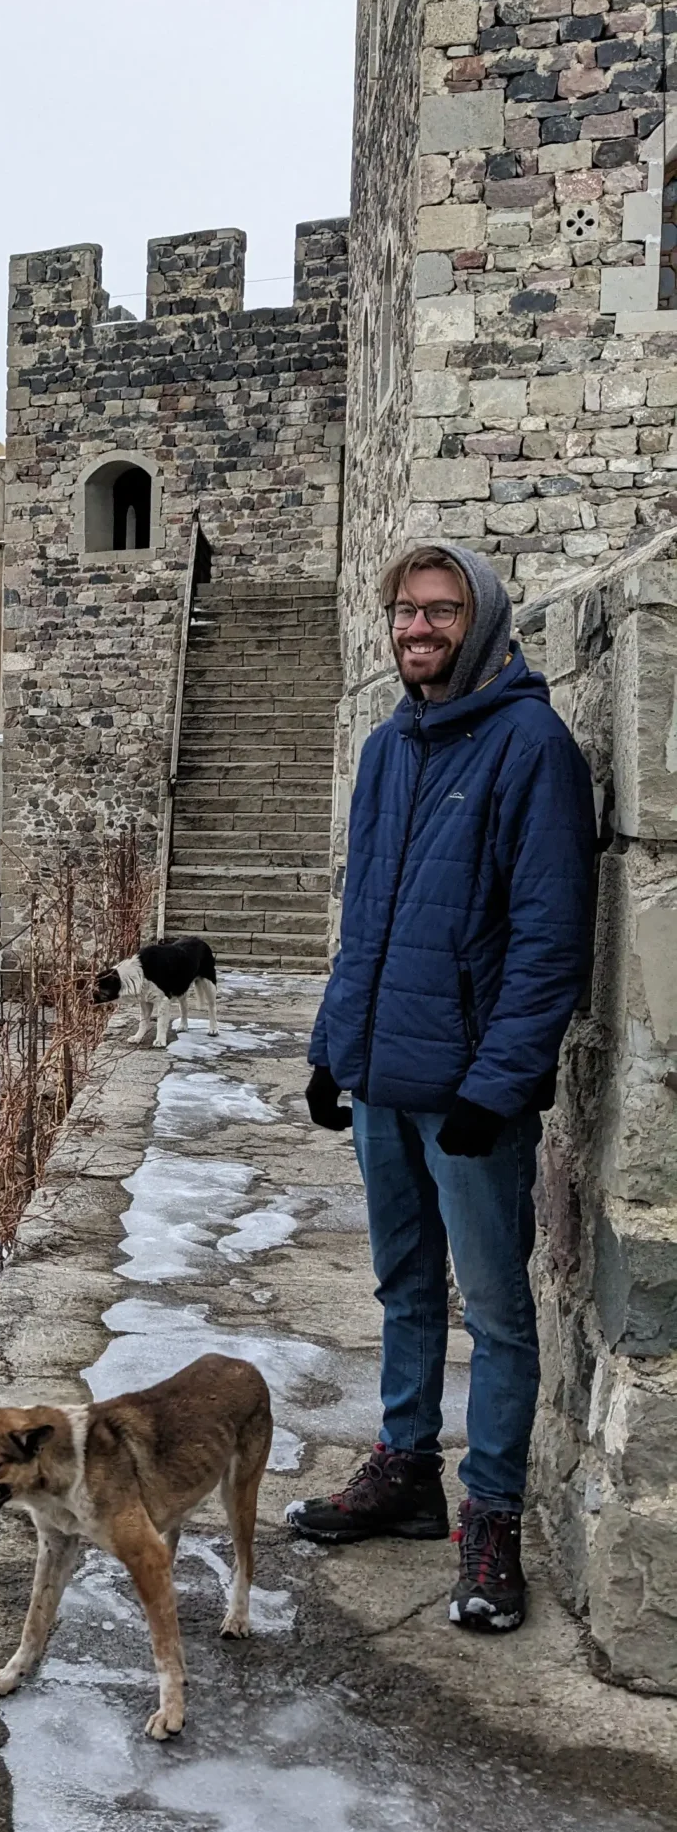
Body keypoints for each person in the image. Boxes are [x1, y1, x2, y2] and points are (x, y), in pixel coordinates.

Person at [291, 542, 594, 1633]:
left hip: (469, 1096)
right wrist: (334, 1049)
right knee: (405, 1292)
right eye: (406, 610)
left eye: (441, 611)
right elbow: (363, 921)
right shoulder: (388, 747)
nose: (418, 628)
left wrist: (498, 1084)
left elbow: (550, 940)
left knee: (500, 1315)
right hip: (381, 1080)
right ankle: (406, 1470)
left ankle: (493, 1517)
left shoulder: (531, 747)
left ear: (484, 620)